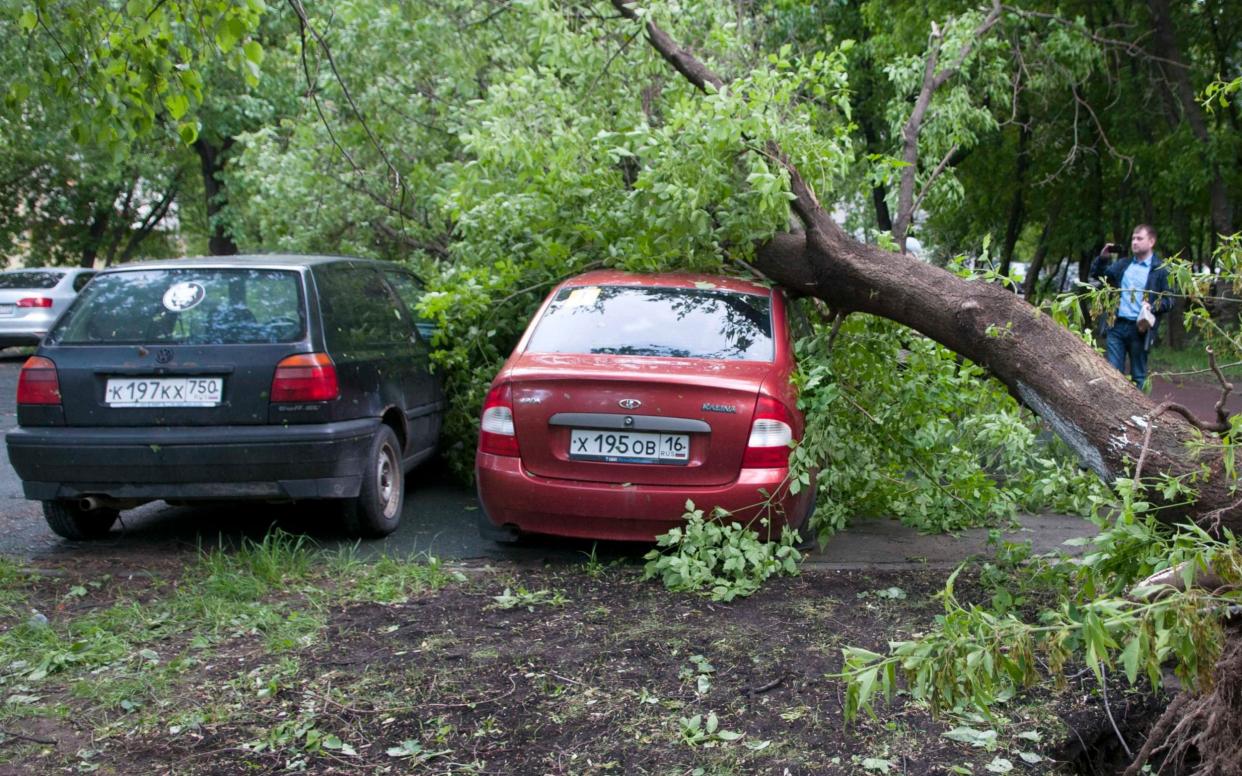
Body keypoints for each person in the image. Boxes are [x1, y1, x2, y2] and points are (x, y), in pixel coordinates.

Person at [1089, 224, 1172, 388]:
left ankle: (1140, 412)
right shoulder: (1123, 265)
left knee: (1139, 376)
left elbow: (1169, 300)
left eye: (1139, 238)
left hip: (1140, 328)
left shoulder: (1161, 269)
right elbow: (1098, 275)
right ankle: (1114, 410)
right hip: (1116, 326)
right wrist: (1103, 258)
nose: (1134, 242)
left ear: (1151, 241)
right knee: (1113, 373)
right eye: (1133, 238)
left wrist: (1152, 306)